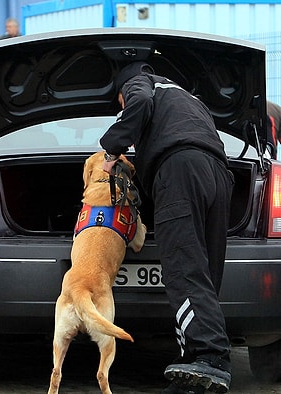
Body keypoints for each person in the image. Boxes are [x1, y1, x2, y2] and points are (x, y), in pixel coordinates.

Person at [99, 62, 233, 393]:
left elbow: (139, 103)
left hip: (179, 171)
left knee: (183, 268)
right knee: (204, 272)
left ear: (121, 91)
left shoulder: (139, 85)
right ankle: (194, 367)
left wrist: (113, 146)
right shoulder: (189, 98)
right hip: (219, 174)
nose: (123, 105)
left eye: (119, 102)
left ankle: (211, 357)